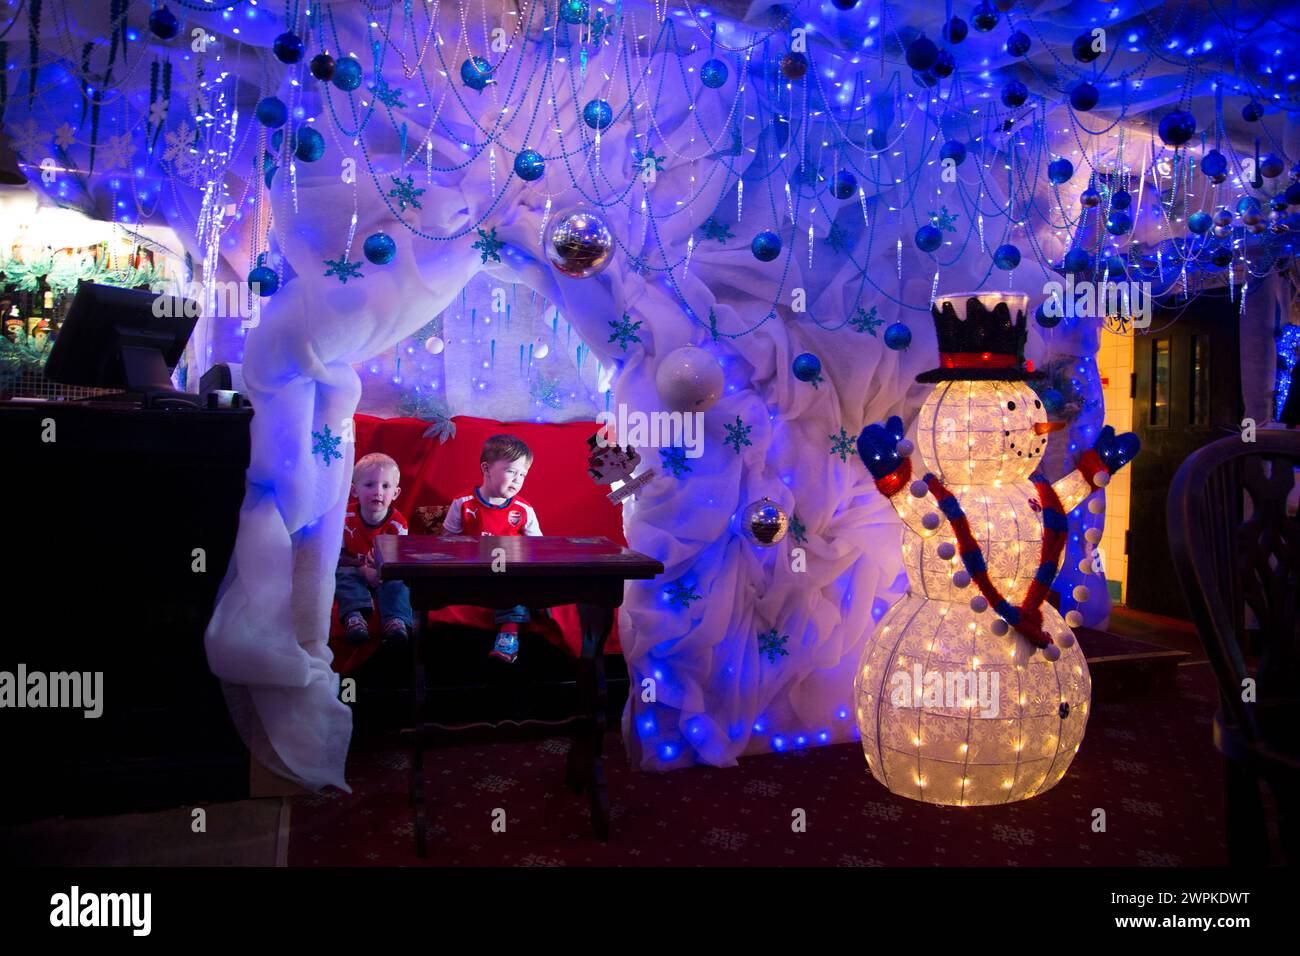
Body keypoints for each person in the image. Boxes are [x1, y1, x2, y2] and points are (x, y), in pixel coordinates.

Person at [442, 434, 542, 662]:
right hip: (473, 570)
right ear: (486, 469)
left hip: (508, 572)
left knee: (516, 583)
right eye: (511, 471)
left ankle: (508, 635)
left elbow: (538, 548)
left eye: (523, 474)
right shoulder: (463, 503)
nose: (518, 479)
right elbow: (447, 541)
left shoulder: (524, 510)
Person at [336, 452, 414, 646]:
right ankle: (354, 616)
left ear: (395, 493)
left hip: (383, 572)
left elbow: (397, 560)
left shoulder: (397, 524)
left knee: (399, 583)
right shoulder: (344, 517)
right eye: (369, 485)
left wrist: (379, 573)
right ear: (355, 490)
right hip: (353, 568)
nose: (378, 492)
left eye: (386, 486)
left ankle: (395, 621)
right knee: (343, 575)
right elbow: (339, 555)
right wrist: (362, 569)